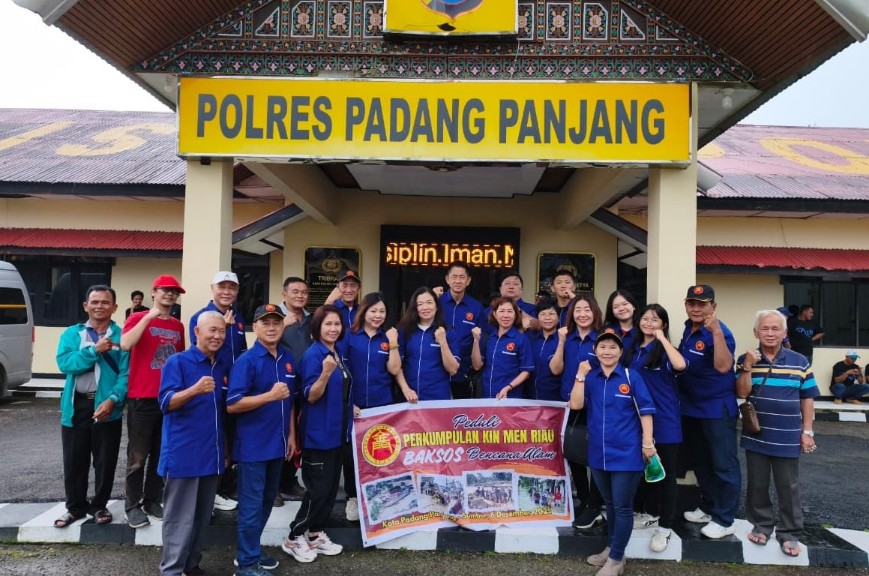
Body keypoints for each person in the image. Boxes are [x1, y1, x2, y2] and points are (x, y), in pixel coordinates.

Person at [571, 329, 657, 576]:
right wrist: (580, 375)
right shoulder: (592, 378)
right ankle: (612, 549)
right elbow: (576, 405)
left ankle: (616, 560)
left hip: (627, 453)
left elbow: (646, 411)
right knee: (609, 504)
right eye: (602, 347)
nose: (607, 352)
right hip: (598, 453)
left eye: (612, 347)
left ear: (620, 352)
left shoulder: (631, 377)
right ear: (595, 351)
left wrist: (648, 443)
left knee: (621, 506)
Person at [736, 309, 819, 558]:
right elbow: (741, 393)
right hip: (757, 433)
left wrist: (807, 432)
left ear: (784, 332)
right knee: (757, 484)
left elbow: (807, 399)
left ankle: (790, 532)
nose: (770, 333)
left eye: (775, 329)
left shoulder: (800, 361)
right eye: (765, 328)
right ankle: (761, 525)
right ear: (755, 332)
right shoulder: (746, 358)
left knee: (788, 485)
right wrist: (747, 366)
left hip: (788, 434)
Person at [227, 304, 296, 576]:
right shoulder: (247, 360)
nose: (271, 327)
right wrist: (268, 396)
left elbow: (289, 400)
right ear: (253, 328)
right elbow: (232, 404)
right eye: (265, 323)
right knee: (252, 507)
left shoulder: (287, 358)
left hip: (277, 444)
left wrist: (291, 434)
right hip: (253, 447)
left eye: (276, 322)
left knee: (267, 502)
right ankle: (245, 565)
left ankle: (252, 552)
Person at [157, 311, 229, 576]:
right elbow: (165, 403)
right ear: (196, 332)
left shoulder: (221, 365)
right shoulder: (178, 362)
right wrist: (195, 390)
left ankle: (191, 565)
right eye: (212, 330)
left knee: (201, 518)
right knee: (179, 519)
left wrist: (226, 450)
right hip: (183, 455)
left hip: (212, 455)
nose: (217, 336)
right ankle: (172, 570)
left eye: (221, 331)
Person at [54, 285, 129, 529]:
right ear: (85, 306)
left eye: (105, 302)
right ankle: (74, 508)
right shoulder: (72, 335)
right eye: (94, 302)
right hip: (77, 407)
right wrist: (93, 350)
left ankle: (99, 506)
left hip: (108, 407)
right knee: (74, 461)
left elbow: (126, 374)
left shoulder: (122, 336)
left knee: (105, 461)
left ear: (114, 307)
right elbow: (66, 364)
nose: (99, 306)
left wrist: (114, 399)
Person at [282, 305, 348, 563]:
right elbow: (310, 395)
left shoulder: (337, 353)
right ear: (317, 327)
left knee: (330, 489)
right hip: (318, 435)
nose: (333, 329)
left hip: (337, 433)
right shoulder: (314, 356)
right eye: (328, 324)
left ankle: (315, 534)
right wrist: (326, 373)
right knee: (318, 491)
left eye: (337, 324)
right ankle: (293, 536)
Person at [120, 274, 186, 529]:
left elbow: (179, 361)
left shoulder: (178, 326)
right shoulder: (137, 317)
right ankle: (132, 505)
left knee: (161, 454)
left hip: (168, 399)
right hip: (142, 398)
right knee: (137, 456)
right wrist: (148, 316)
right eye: (165, 290)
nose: (169, 294)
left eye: (174, 291)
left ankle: (151, 499)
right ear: (154, 292)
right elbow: (125, 344)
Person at [343, 293, 415, 521]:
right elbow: (340, 370)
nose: (377, 315)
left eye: (382, 311)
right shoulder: (349, 336)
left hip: (382, 405)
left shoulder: (389, 337)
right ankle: (352, 498)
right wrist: (349, 401)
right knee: (352, 454)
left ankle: (377, 497)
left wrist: (393, 344)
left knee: (380, 452)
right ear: (363, 311)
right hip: (354, 405)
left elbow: (395, 369)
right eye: (373, 310)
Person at [676, 284, 740, 539]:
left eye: (702, 304)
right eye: (692, 303)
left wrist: (715, 333)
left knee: (723, 464)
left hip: (716, 407)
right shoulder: (688, 327)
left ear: (714, 306)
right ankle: (709, 506)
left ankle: (726, 519)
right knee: (701, 462)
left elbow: (724, 367)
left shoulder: (720, 331)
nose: (696, 308)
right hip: (692, 407)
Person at [628, 304, 686, 552]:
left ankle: (665, 527)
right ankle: (650, 512)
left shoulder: (664, 349)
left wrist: (662, 337)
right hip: (639, 419)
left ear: (663, 324)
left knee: (667, 475)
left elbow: (681, 365)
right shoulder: (634, 348)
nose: (649, 322)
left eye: (655, 319)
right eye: (645, 318)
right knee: (649, 470)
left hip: (665, 420)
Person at [190, 271, 249, 511]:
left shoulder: (239, 318)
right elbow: (201, 352)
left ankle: (224, 487)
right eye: (222, 287)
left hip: (235, 387)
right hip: (212, 384)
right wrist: (221, 327)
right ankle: (207, 494)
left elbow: (242, 352)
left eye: (231, 288)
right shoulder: (201, 318)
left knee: (231, 438)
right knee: (212, 438)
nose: (227, 292)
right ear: (212, 288)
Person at [549, 293, 605, 529]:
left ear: (595, 313)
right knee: (573, 454)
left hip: (596, 405)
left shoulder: (602, 338)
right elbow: (555, 369)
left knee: (595, 456)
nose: (582, 314)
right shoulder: (567, 338)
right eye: (578, 310)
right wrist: (561, 341)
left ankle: (595, 504)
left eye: (587, 309)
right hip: (570, 404)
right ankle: (584, 499)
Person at [278, 276, 313, 502]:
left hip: (305, 385)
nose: (300, 295)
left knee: (297, 436)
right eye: (295, 291)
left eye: (304, 292)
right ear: (284, 294)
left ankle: (289, 481)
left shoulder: (310, 318)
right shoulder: (272, 313)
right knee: (279, 434)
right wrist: (283, 324)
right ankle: (272, 487)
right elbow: (265, 338)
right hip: (280, 385)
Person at [397, 287, 460, 401]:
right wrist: (406, 389)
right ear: (415, 308)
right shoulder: (404, 331)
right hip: (409, 397)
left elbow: (453, 369)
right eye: (420, 304)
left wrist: (443, 342)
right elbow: (397, 366)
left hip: (438, 398)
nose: (425, 307)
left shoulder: (448, 332)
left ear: (436, 306)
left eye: (429, 302)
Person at [435, 261, 484, 399]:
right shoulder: (436, 302)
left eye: (462, 277)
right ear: (447, 279)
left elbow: (479, 340)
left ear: (468, 281)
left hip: (464, 373)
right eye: (454, 276)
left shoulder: (476, 307)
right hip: (438, 372)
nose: (457, 281)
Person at [470, 297, 534, 399]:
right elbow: (477, 366)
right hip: (486, 395)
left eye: (510, 311)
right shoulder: (489, 338)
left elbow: (526, 372)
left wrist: (509, 387)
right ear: (495, 314)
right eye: (501, 311)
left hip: (510, 396)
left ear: (515, 315)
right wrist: (476, 341)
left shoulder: (521, 339)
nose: (505, 315)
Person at [528, 297, 562, 400]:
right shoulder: (530, 339)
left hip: (555, 400)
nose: (547, 318)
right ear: (537, 317)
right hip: (529, 398)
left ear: (558, 317)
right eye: (543, 314)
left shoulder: (564, 340)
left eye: (551, 314)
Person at [604, 289, 640, 358]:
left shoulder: (643, 331)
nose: (621, 308)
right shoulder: (605, 331)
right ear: (612, 311)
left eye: (625, 304)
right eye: (616, 307)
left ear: (633, 306)